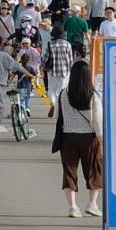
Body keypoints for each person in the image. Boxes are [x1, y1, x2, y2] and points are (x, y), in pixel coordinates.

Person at [54, 60, 103, 218]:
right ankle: (92, 204)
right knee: (94, 171)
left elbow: (56, 116)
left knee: (69, 172)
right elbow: (97, 121)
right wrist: (102, 142)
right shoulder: (93, 95)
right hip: (90, 138)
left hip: (68, 138)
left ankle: (73, 207)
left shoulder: (63, 94)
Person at [43, 34, 74, 117]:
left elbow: (45, 58)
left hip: (52, 71)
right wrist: (71, 69)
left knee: (51, 89)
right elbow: (71, 59)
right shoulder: (68, 44)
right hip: (65, 72)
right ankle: (60, 109)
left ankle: (53, 103)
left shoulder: (50, 44)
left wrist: (41, 67)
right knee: (62, 91)